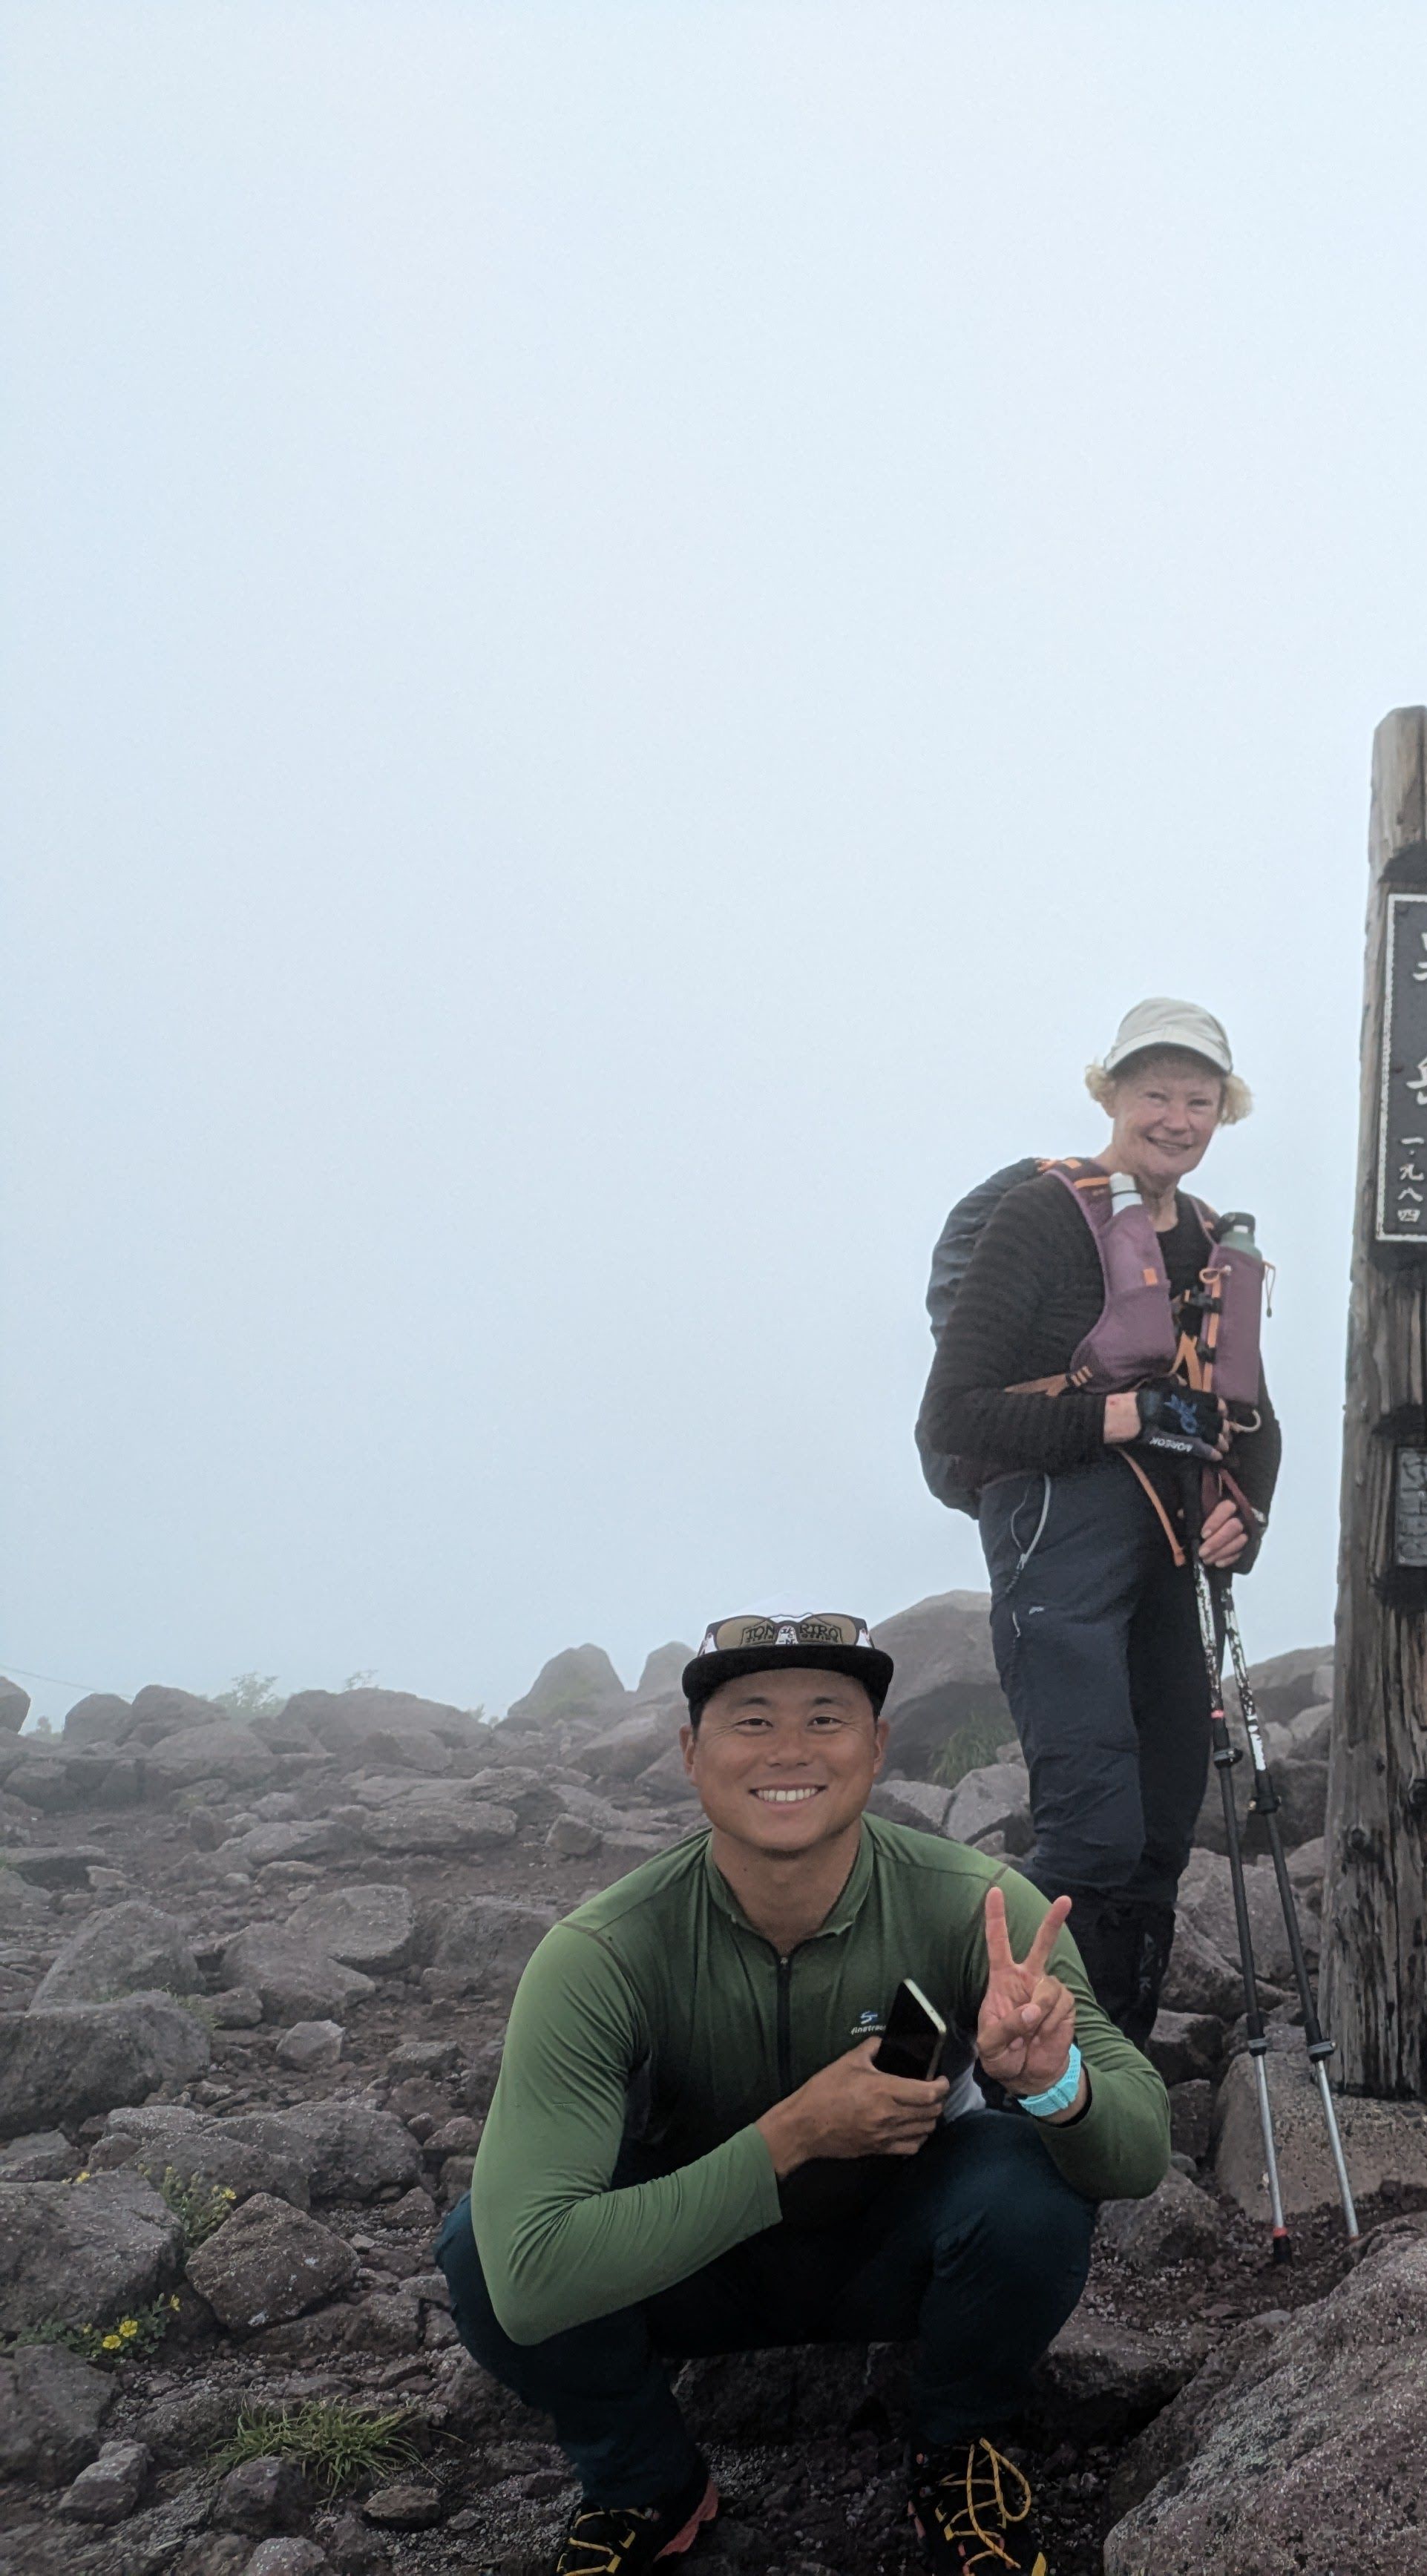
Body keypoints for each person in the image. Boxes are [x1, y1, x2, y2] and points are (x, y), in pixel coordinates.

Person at [441, 1614, 1167, 2576]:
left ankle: (956, 2451)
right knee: (482, 2247)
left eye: (827, 1718)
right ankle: (647, 2482)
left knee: (1027, 2181)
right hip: (693, 2264)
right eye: (751, 1721)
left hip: (894, 2242)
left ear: (878, 1749)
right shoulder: (604, 1954)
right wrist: (789, 2137)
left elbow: (1141, 2150)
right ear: (691, 1754)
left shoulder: (978, 1907)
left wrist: (1054, 2084)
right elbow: (529, 2285)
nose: (790, 1751)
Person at [916, 999, 1281, 2041]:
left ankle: (1108, 2070)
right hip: (1054, 1544)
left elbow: (1252, 1421)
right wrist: (1121, 1411)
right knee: (1086, 1837)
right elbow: (955, 1411)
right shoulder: (1041, 1220)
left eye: (1198, 1098)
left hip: (1166, 1559)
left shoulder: (1213, 1242)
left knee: (1161, 1832)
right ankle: (918, 2056)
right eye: (1155, 1093)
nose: (1176, 1116)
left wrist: (1244, 1518)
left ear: (1223, 1111)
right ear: (1112, 1095)